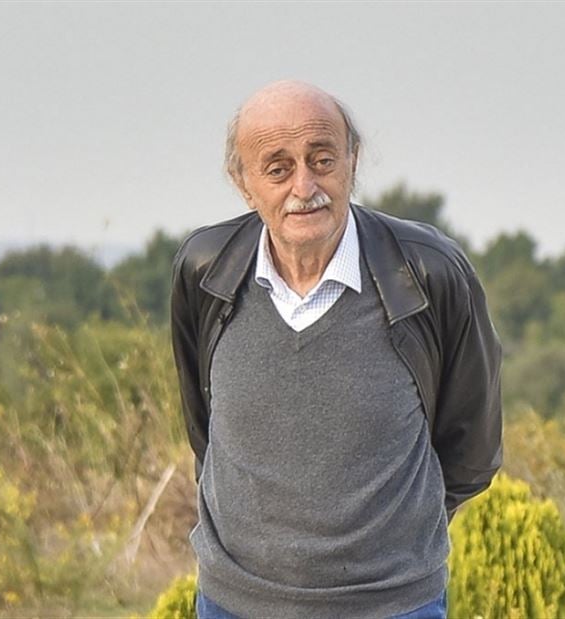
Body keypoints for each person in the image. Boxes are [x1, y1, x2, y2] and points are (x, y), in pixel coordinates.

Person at [170, 80, 502, 619]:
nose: (305, 186)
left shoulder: (427, 272)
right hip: (233, 603)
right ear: (243, 183)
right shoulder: (206, 270)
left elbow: (473, 448)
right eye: (278, 169)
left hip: (394, 606)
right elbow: (205, 428)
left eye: (322, 160)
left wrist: (394, 544)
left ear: (353, 160)